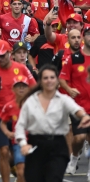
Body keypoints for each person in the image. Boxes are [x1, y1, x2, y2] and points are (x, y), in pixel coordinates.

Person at [16, 65, 90, 182]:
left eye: (52, 77)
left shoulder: (63, 99)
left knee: (53, 178)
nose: (49, 80)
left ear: (57, 81)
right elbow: (20, 126)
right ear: (40, 81)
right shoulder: (31, 101)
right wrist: (24, 144)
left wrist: (84, 116)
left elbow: (76, 109)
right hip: (36, 145)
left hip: (58, 147)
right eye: (45, 78)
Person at [0, 40, 36, 182]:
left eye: (2, 55)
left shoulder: (22, 69)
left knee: (17, 153)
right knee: (4, 151)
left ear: (9, 54)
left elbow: (34, 88)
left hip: (18, 115)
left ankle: (16, 168)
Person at [60, 26, 90, 175]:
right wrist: (70, 90)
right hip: (79, 106)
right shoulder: (74, 58)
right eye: (88, 35)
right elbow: (62, 78)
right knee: (79, 138)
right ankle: (74, 158)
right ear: (85, 37)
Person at [0, 75, 30, 182]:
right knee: (21, 171)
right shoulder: (9, 106)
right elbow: (2, 123)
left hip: (34, 142)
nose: (21, 88)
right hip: (18, 143)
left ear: (28, 88)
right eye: (18, 86)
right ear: (13, 89)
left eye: (24, 86)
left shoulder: (34, 105)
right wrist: (7, 133)